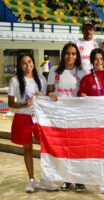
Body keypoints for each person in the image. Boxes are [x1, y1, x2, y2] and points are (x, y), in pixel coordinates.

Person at [8, 53, 57, 193]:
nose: (28, 65)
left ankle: (46, 179)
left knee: (45, 148)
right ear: (19, 65)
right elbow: (11, 103)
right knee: (27, 149)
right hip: (23, 118)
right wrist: (24, 104)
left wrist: (44, 97)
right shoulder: (15, 80)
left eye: (30, 61)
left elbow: (46, 99)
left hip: (39, 118)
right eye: (24, 63)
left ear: (33, 62)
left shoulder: (40, 79)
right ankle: (31, 180)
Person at [77, 48, 104, 194]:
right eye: (96, 59)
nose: (99, 62)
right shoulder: (86, 79)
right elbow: (80, 95)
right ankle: (103, 180)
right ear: (91, 62)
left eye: (101, 59)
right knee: (100, 151)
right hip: (95, 122)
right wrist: (82, 96)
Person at [47, 42, 88, 192]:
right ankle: (66, 179)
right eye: (67, 53)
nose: (70, 56)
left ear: (77, 56)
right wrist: (51, 94)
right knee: (64, 148)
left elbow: (86, 92)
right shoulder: (54, 71)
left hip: (77, 115)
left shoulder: (82, 72)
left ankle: (79, 180)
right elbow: (49, 92)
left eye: (73, 53)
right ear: (63, 55)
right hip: (60, 115)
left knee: (78, 148)